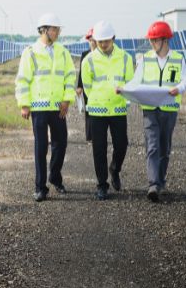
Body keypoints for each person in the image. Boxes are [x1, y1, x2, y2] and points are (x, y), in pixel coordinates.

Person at [15, 13, 76, 202]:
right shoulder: (30, 52)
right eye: (54, 29)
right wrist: (24, 104)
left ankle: (55, 177)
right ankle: (40, 187)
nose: (57, 32)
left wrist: (66, 100)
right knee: (41, 147)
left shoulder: (63, 52)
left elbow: (70, 77)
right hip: (39, 108)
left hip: (58, 107)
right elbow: (23, 80)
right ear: (44, 30)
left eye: (58, 29)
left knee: (61, 143)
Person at [126, 21, 186, 202]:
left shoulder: (178, 58)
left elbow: (185, 81)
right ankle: (153, 185)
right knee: (152, 146)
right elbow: (136, 81)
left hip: (169, 109)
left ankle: (160, 180)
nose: (152, 44)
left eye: (155, 40)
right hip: (150, 109)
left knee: (164, 148)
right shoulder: (145, 58)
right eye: (151, 40)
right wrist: (124, 89)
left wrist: (179, 89)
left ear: (165, 40)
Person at [81, 20, 134, 200]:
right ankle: (102, 185)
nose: (103, 44)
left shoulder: (126, 57)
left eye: (106, 41)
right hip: (97, 110)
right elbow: (87, 86)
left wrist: (121, 96)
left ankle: (115, 169)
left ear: (113, 38)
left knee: (122, 145)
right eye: (100, 41)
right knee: (99, 149)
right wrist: (99, 98)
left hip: (118, 109)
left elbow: (130, 81)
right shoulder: (88, 60)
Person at [76, 28, 96, 143]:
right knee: (88, 111)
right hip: (87, 87)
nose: (92, 42)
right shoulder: (85, 54)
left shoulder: (102, 55)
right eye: (90, 40)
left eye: (93, 39)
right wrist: (79, 86)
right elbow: (81, 72)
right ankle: (90, 136)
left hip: (98, 87)